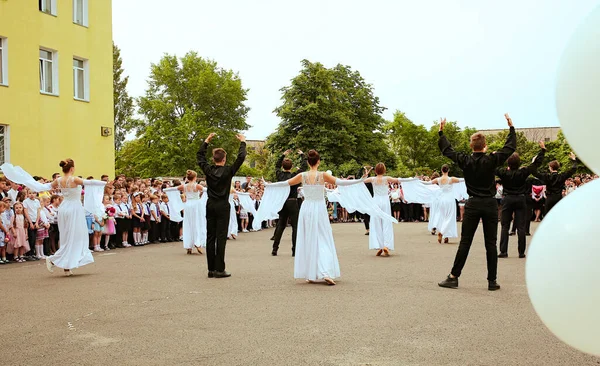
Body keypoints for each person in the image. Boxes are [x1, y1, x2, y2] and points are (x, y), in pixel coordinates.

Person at [437, 114, 516, 291]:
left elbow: (447, 150)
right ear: (485, 146)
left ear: (471, 146)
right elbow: (509, 148)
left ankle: (454, 277)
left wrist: (441, 132)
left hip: (472, 204)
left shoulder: (466, 160)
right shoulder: (492, 160)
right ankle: (492, 281)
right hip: (489, 204)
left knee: (466, 241)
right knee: (491, 243)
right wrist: (511, 128)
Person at [277, 150, 365, 285]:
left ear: (307, 162)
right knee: (323, 237)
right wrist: (360, 179)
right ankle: (324, 271)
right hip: (318, 208)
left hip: (307, 208)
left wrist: (268, 185)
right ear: (318, 161)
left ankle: (312, 272)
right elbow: (342, 183)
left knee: (309, 238)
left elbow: (284, 183)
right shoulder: (323, 175)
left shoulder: (302, 175)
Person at [197, 133, 246, 279]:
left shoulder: (208, 169)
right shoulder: (229, 170)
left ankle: (211, 269)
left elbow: (200, 156)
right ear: (224, 159)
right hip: (223, 205)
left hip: (210, 204)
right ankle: (219, 269)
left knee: (210, 236)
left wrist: (206, 141)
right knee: (220, 237)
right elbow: (241, 158)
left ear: (214, 159)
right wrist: (242, 142)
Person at [496, 142, 546, 259]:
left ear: (508, 163)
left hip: (508, 198)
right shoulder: (523, 172)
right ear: (519, 163)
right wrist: (542, 151)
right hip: (520, 198)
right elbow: (535, 164)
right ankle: (521, 252)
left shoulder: (504, 173)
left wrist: (495, 155)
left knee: (505, 226)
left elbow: (493, 167)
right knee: (521, 227)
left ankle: (503, 251)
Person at [46, 159, 95, 276]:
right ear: (72, 168)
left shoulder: (58, 180)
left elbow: (46, 186)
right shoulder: (74, 179)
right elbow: (90, 183)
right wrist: (104, 184)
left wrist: (33, 184)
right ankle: (55, 259)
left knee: (67, 236)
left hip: (64, 208)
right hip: (74, 208)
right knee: (74, 235)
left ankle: (67, 266)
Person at [271, 149, 306, 256]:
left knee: (281, 225)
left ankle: (275, 248)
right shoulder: (295, 176)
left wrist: (282, 155)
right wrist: (302, 155)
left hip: (283, 202)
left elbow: (276, 166)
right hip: (292, 201)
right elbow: (304, 168)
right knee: (295, 226)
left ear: (283, 167)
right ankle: (294, 250)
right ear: (291, 167)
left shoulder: (280, 175)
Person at [363, 163, 399, 256]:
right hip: (385, 201)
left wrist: (366, 174)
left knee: (376, 223)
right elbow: (398, 180)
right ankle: (386, 245)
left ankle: (379, 245)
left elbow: (362, 181)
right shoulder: (387, 178)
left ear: (375, 171)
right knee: (386, 222)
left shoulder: (372, 179)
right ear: (384, 170)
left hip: (376, 201)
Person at [429, 165, 461, 244]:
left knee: (443, 217)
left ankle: (446, 236)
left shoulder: (438, 179)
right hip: (450, 199)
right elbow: (462, 180)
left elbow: (427, 183)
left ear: (441, 170)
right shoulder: (451, 179)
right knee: (449, 217)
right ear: (448, 170)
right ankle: (443, 232)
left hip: (441, 200)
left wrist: (416, 181)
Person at [178, 170, 205, 255]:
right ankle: (198, 243)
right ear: (195, 177)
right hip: (196, 204)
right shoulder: (197, 185)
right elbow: (206, 190)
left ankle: (188, 246)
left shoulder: (184, 186)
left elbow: (174, 189)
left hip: (187, 204)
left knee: (188, 224)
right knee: (197, 223)